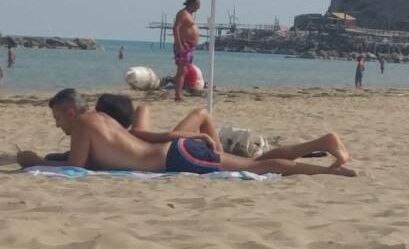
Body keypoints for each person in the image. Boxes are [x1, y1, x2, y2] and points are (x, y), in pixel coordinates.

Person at [17, 89, 355, 177]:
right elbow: (135, 138)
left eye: (57, 117)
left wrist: (34, 161)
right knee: (254, 162)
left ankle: (326, 170)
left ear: (70, 112)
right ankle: (321, 145)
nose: (56, 124)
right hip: (177, 151)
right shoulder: (99, 119)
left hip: (178, 158)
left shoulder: (82, 126)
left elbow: (79, 168)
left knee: (259, 167)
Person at [94, 93, 350, 165]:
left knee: (262, 162)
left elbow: (155, 132)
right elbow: (144, 109)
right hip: (203, 144)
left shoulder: (128, 139)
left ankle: (322, 143)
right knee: (201, 114)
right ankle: (321, 144)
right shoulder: (131, 134)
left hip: (197, 148)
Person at [173, 0, 201, 103]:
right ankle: (178, 96)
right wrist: (179, 44)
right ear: (192, 3)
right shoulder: (182, 14)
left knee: (184, 70)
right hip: (183, 45)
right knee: (182, 70)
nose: (198, 8)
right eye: (197, 5)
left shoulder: (190, 15)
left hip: (189, 47)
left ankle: (179, 93)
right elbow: (176, 28)